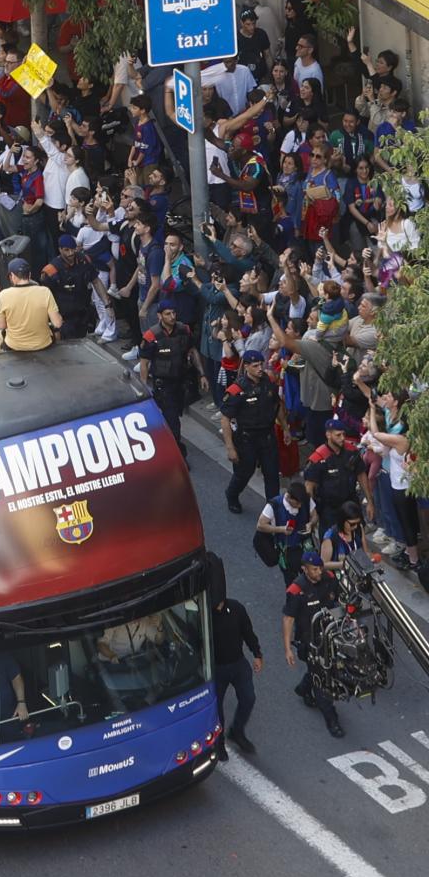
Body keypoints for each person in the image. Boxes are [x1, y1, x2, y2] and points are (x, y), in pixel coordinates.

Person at [283, 551, 345, 738]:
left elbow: (338, 601)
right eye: (315, 569)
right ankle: (331, 719)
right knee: (322, 681)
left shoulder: (329, 578)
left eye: (320, 568)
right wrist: (287, 649)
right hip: (310, 641)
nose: (319, 572)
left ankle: (303, 688)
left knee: (325, 669)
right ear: (304, 569)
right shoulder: (297, 590)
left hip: (330, 635)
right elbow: (288, 619)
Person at [135, 297, 208, 453]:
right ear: (160, 316)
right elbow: (144, 363)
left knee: (174, 415)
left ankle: (167, 442)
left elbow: (192, 351)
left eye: (174, 313)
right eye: (168, 314)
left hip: (181, 381)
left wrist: (202, 374)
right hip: (163, 384)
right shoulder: (151, 336)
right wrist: (143, 386)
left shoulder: (184, 330)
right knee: (172, 419)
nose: (172, 317)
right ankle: (177, 453)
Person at [221, 350, 281, 513]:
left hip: (267, 436)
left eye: (261, 364)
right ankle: (232, 495)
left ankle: (273, 509)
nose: (260, 368)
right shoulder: (237, 390)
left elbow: (277, 404)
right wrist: (230, 448)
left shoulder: (268, 381)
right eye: (255, 366)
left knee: (272, 475)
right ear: (246, 366)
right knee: (243, 473)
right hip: (247, 439)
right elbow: (225, 418)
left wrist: (286, 428)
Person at [212, 593, 262, 760]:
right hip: (216, 669)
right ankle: (218, 742)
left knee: (248, 698)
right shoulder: (205, 614)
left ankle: (237, 731)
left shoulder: (236, 608)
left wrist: (257, 653)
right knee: (217, 708)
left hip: (238, 663)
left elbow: (247, 631)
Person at [0, 257, 60, 351]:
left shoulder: (4, 295)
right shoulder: (45, 292)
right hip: (43, 344)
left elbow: (1, 326)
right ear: (29, 275)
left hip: (14, 346)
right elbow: (57, 323)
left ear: (12, 276)